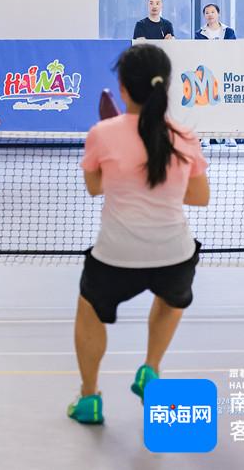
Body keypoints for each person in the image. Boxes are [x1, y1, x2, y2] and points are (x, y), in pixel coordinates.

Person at [67, 43, 210, 425]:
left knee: (89, 311)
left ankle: (89, 398)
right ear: (166, 86)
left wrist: (122, 170)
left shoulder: (102, 133)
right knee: (170, 298)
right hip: (175, 256)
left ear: (124, 88)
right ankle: (151, 369)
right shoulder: (184, 135)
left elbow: (95, 187)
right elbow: (200, 196)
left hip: (116, 257)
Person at [196, 4, 237, 146]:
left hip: (225, 71)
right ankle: (206, 137)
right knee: (207, 104)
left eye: (212, 12)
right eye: (207, 12)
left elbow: (233, 50)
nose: (210, 15)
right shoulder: (199, 34)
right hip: (207, 72)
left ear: (218, 14)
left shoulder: (229, 32)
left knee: (226, 104)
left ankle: (229, 136)